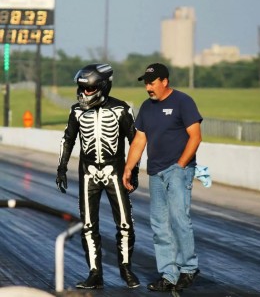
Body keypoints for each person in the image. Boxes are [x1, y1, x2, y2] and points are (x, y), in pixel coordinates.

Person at [56, 63, 140, 289]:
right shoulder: (76, 111)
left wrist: (134, 171)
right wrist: (61, 167)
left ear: (103, 86)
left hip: (116, 171)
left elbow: (136, 142)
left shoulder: (122, 110)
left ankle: (126, 268)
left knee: (125, 223)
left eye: (90, 89)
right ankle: (95, 273)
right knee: (88, 225)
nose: (85, 93)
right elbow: (68, 139)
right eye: (83, 89)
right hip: (88, 172)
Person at [123, 63, 202, 292]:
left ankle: (188, 268)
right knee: (159, 226)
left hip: (179, 170)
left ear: (164, 81)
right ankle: (169, 274)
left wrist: (180, 165)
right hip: (155, 173)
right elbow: (139, 140)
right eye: (146, 83)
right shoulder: (147, 108)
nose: (148, 87)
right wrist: (129, 168)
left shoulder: (183, 102)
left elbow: (195, 136)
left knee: (179, 219)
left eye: (152, 82)